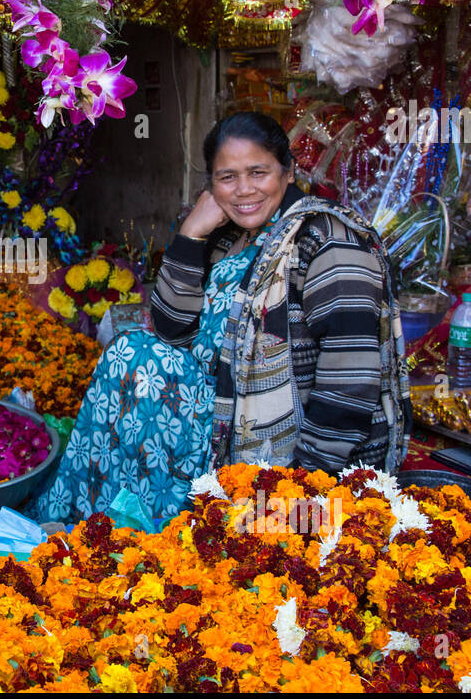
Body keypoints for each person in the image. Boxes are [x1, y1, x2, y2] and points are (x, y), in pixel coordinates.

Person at [25, 111, 410, 525]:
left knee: (136, 359)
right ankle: (107, 528)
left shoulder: (328, 241)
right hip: (221, 413)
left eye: (258, 172)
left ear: (288, 171)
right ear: (210, 185)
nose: (244, 190)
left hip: (294, 448)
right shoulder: (231, 234)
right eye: (227, 178)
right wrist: (192, 232)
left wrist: (304, 485)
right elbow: (172, 329)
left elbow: (351, 377)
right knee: (132, 352)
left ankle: (153, 532)